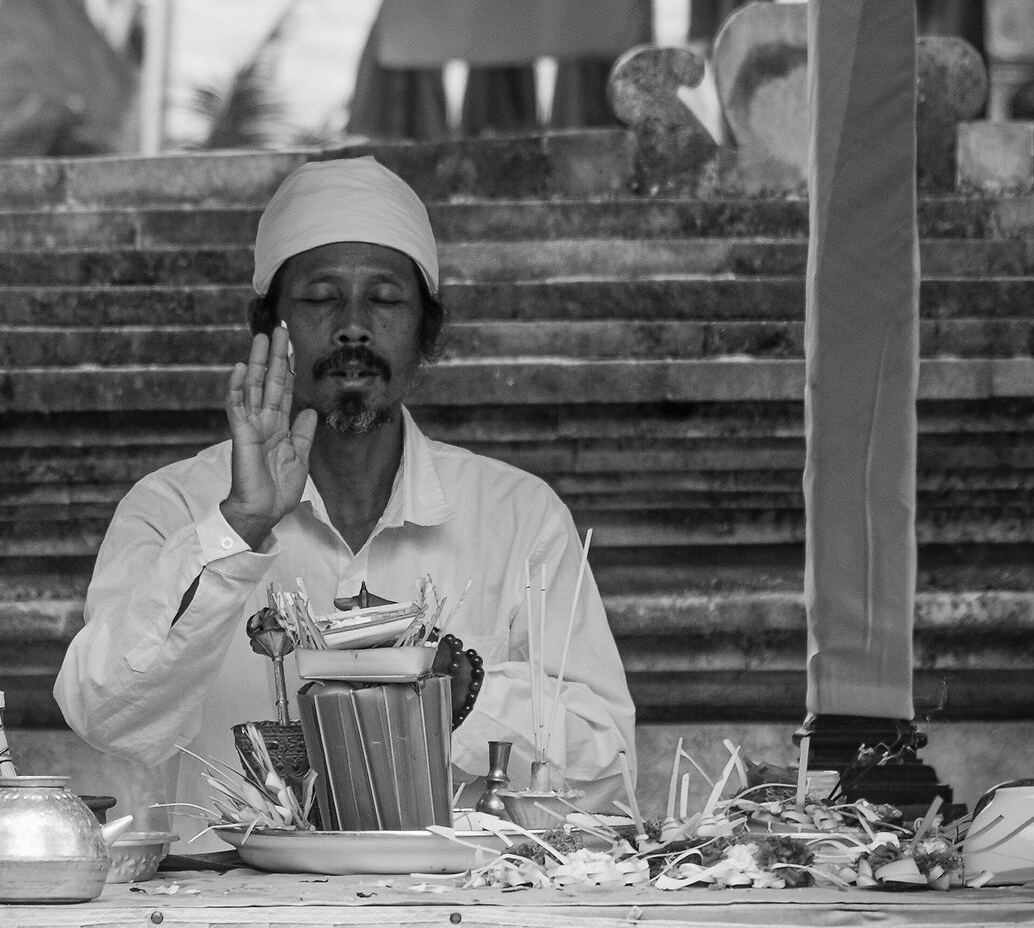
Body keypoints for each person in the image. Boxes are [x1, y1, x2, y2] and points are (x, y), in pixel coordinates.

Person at [55, 155, 635, 823]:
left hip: (453, 915)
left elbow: (608, 780)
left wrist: (463, 693)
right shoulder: (175, 507)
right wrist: (237, 526)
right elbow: (106, 717)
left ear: (429, 333)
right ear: (267, 326)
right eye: (320, 298)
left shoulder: (520, 517)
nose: (353, 326)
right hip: (226, 916)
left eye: (385, 300)